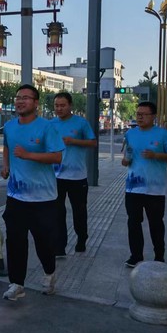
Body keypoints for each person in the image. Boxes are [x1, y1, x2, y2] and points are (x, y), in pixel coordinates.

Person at [0, 84, 64, 300]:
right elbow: (7, 146)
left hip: (43, 199)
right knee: (15, 242)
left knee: (44, 242)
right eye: (18, 97)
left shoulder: (47, 127)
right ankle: (16, 283)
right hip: (16, 197)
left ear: (36, 103)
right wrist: (6, 165)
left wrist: (29, 155)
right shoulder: (9, 126)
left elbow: (57, 157)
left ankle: (49, 273)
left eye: (25, 98)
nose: (20, 101)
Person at [121, 101, 167, 267]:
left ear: (153, 116)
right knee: (133, 222)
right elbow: (126, 158)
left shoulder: (163, 134)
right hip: (133, 187)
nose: (140, 117)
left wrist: (156, 155)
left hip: (155, 189)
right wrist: (125, 161)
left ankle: (159, 255)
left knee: (156, 223)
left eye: (144, 114)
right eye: (138, 114)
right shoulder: (130, 134)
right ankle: (136, 255)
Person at [50, 92, 97, 255]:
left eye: (62, 105)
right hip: (56, 177)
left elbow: (93, 143)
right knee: (57, 212)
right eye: (56, 105)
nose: (59, 108)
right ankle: (60, 246)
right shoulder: (51, 124)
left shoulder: (81, 123)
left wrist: (73, 141)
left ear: (70, 105)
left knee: (79, 211)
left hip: (77, 177)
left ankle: (82, 238)